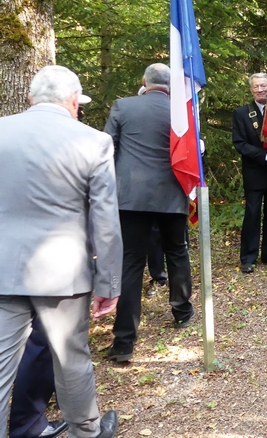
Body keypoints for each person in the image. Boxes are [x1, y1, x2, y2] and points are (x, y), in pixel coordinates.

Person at [0, 65, 120, 438]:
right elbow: (105, 220)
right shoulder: (94, 141)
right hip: (64, 273)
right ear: (73, 101)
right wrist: (109, 283)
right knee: (71, 362)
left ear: (30, 98)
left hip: (3, 267)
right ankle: (86, 431)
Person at [103, 63, 194, 363]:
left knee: (131, 262)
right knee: (177, 251)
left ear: (144, 81)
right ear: (170, 86)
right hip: (172, 193)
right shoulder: (181, 113)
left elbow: (107, 149)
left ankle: (124, 341)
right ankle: (182, 311)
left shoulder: (123, 107)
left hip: (131, 197)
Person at [232, 73, 267, 273]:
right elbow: (240, 144)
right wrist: (264, 155)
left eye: (264, 85)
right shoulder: (241, 113)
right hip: (255, 172)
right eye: (256, 86)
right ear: (251, 90)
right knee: (253, 214)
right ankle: (248, 257)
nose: (260, 89)